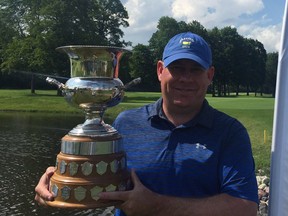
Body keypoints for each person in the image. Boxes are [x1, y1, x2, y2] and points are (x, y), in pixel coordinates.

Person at [35, 32, 258, 216]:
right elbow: (98, 176)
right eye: (177, 68)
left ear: (209, 75)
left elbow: (245, 207)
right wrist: (59, 184)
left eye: (196, 70)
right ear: (160, 70)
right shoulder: (126, 122)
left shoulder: (230, 132)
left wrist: (158, 206)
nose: (186, 78)